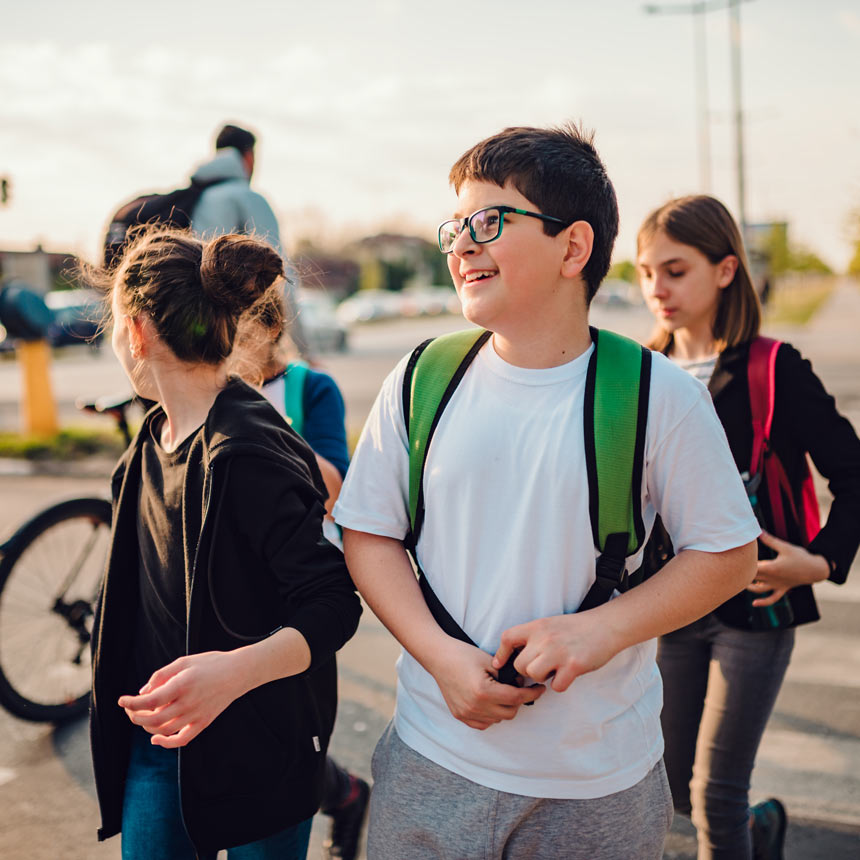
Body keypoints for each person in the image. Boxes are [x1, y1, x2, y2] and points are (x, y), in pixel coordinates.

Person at [332, 124, 761, 860]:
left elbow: (727, 553)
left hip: (597, 786)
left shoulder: (657, 395)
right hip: (429, 761)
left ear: (574, 248)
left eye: (490, 221)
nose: (462, 245)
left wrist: (601, 630)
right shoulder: (420, 377)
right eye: (455, 227)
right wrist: (439, 656)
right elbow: (369, 534)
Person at [86, 226, 362, 859]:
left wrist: (230, 676)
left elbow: (333, 603)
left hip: (261, 747)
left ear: (137, 333)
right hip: (162, 740)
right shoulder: (148, 443)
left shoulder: (248, 453)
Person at [636, 194, 860, 860]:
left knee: (715, 797)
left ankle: (743, 825)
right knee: (672, 787)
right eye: (646, 273)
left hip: (760, 605)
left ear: (726, 270)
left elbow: (853, 472)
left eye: (675, 271)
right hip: (671, 604)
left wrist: (818, 562)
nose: (657, 289)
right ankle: (763, 829)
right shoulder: (639, 372)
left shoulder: (773, 368)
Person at [234, 301, 370, 860]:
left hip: (296, 587)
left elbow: (335, 486)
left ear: (270, 329)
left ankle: (344, 793)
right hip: (233, 586)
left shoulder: (308, 389)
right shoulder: (202, 388)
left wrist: (256, 426)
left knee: (286, 737)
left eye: (240, 322)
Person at [190, 122, 310, 357]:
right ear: (248, 157)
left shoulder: (196, 198)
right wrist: (305, 351)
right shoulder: (248, 199)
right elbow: (281, 276)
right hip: (241, 345)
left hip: (198, 339)